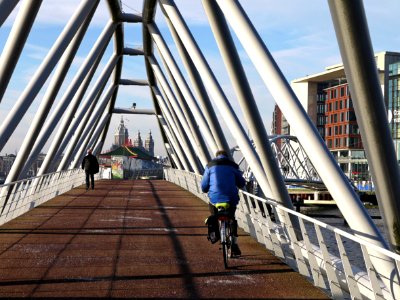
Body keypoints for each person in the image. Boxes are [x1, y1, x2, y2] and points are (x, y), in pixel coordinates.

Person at [201, 149, 246, 257]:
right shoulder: (233, 166)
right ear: (227, 157)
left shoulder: (209, 166)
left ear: (216, 156)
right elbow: (241, 183)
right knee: (232, 218)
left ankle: (216, 233)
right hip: (230, 198)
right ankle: (234, 243)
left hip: (214, 198)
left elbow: (203, 187)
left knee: (214, 214)